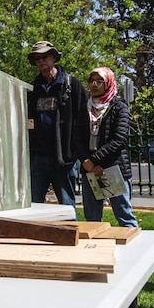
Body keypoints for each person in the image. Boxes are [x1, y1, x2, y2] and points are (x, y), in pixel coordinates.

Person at [74, 67, 139, 227]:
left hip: (112, 168)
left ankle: (133, 250)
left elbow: (119, 139)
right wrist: (86, 162)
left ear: (108, 83)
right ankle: (96, 250)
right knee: (92, 219)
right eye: (91, 81)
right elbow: (76, 137)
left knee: (124, 216)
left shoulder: (119, 106)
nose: (94, 85)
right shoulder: (84, 107)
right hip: (89, 170)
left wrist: (95, 161)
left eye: (99, 81)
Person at [27, 40, 88, 208]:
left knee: (67, 206)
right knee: (33, 206)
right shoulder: (32, 89)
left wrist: (76, 152)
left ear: (53, 57)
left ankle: (71, 233)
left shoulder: (72, 85)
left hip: (64, 159)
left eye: (44, 56)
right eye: (36, 58)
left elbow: (84, 120)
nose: (40, 60)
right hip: (38, 158)